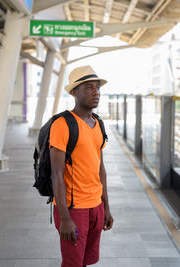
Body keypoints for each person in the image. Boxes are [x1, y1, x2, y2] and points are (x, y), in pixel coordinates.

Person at [49, 65, 114, 267]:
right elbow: (56, 175)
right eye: (89, 88)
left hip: (96, 206)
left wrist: (106, 207)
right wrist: (65, 218)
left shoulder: (98, 123)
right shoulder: (63, 124)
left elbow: (100, 169)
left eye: (97, 87)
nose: (96, 92)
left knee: (85, 261)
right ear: (75, 92)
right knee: (72, 263)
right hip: (73, 208)